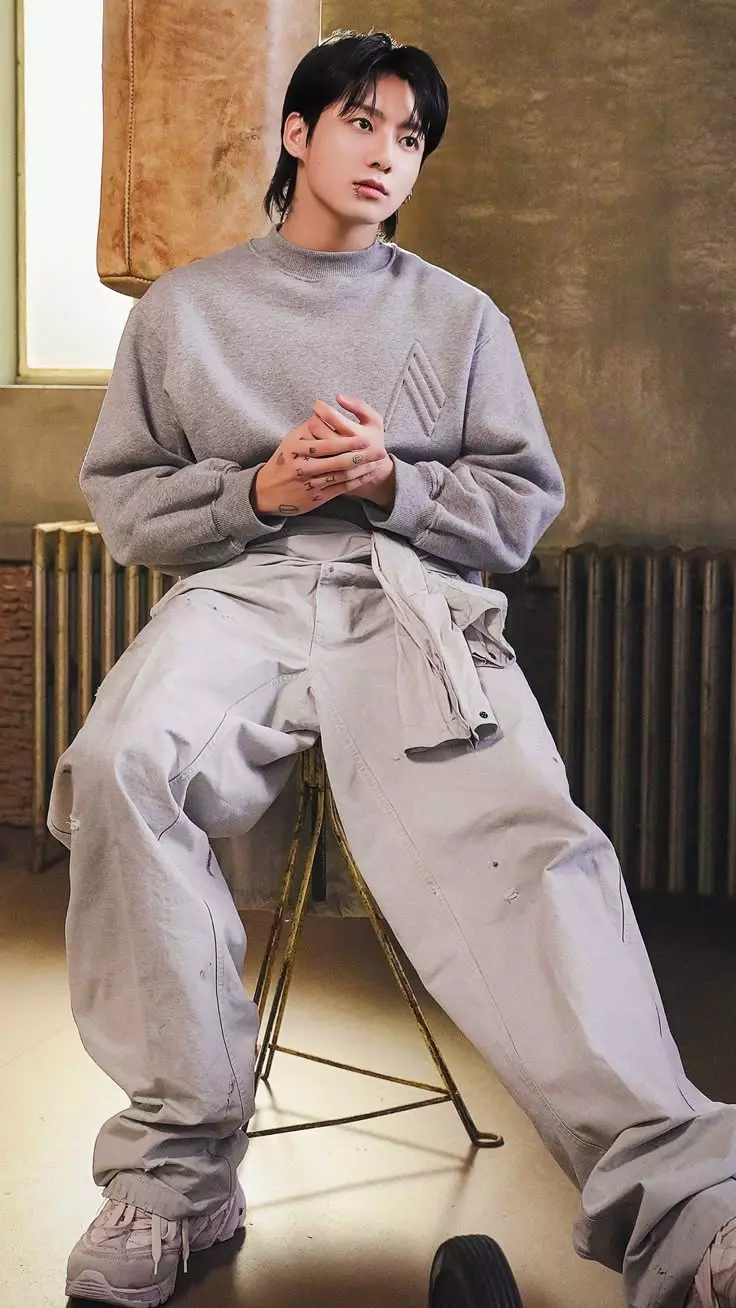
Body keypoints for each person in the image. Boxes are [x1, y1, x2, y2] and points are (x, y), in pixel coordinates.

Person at [48, 28, 736, 1308]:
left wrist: (392, 484)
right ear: (297, 132)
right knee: (120, 767)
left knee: (524, 838)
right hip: (240, 590)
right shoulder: (185, 311)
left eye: (410, 137)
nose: (386, 154)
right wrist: (258, 490)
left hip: (408, 598)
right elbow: (129, 510)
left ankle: (692, 1210)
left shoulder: (458, 317)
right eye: (361, 122)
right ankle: (175, 1183)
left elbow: (518, 508)